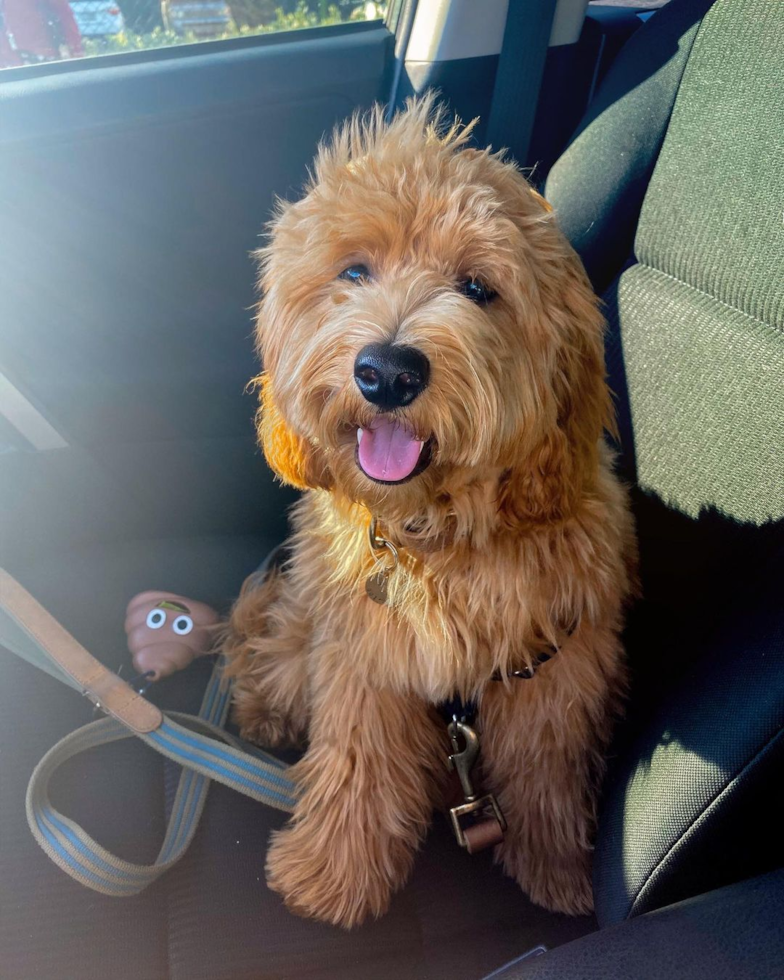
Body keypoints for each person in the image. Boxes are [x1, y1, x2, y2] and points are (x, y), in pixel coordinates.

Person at [0, 0, 84, 69]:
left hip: (44, 53)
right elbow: (64, 13)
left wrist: (75, 48)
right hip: (22, 56)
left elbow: (63, 13)